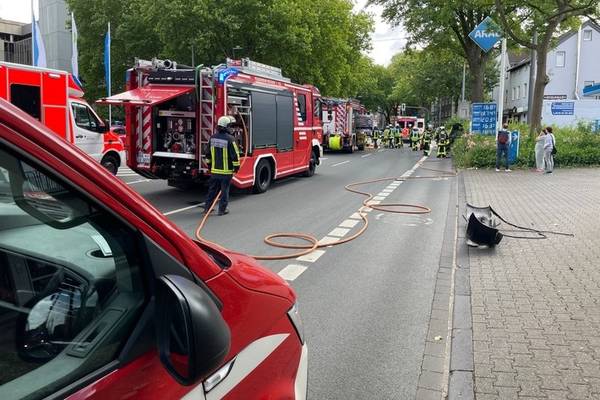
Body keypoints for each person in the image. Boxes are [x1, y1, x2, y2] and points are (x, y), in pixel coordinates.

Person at [204, 115, 241, 215]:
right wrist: (236, 167)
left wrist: (209, 166)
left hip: (214, 171)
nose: (231, 128)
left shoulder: (212, 138)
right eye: (230, 126)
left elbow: (207, 154)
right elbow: (235, 155)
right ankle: (222, 210)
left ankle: (207, 208)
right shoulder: (230, 139)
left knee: (212, 190)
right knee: (224, 191)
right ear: (226, 126)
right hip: (226, 172)